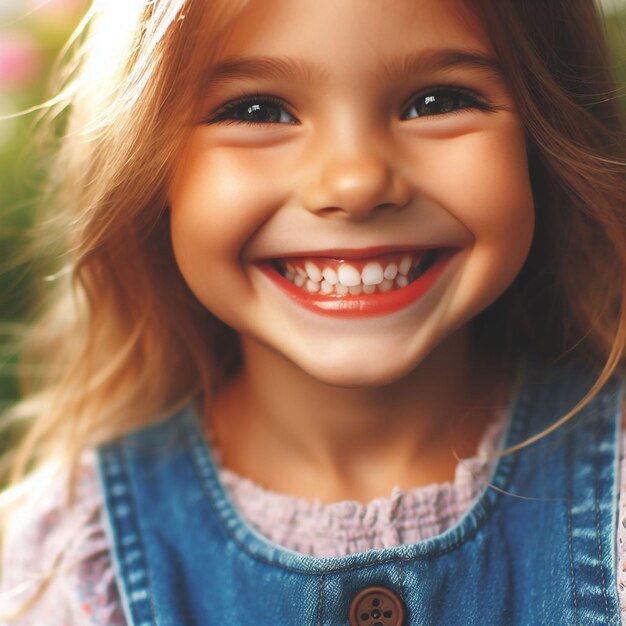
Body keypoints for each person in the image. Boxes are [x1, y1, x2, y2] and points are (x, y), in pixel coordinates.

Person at [1, 0, 625, 623]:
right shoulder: (68, 565)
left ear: (546, 132)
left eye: (435, 101)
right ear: (148, 167)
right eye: (257, 111)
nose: (355, 183)